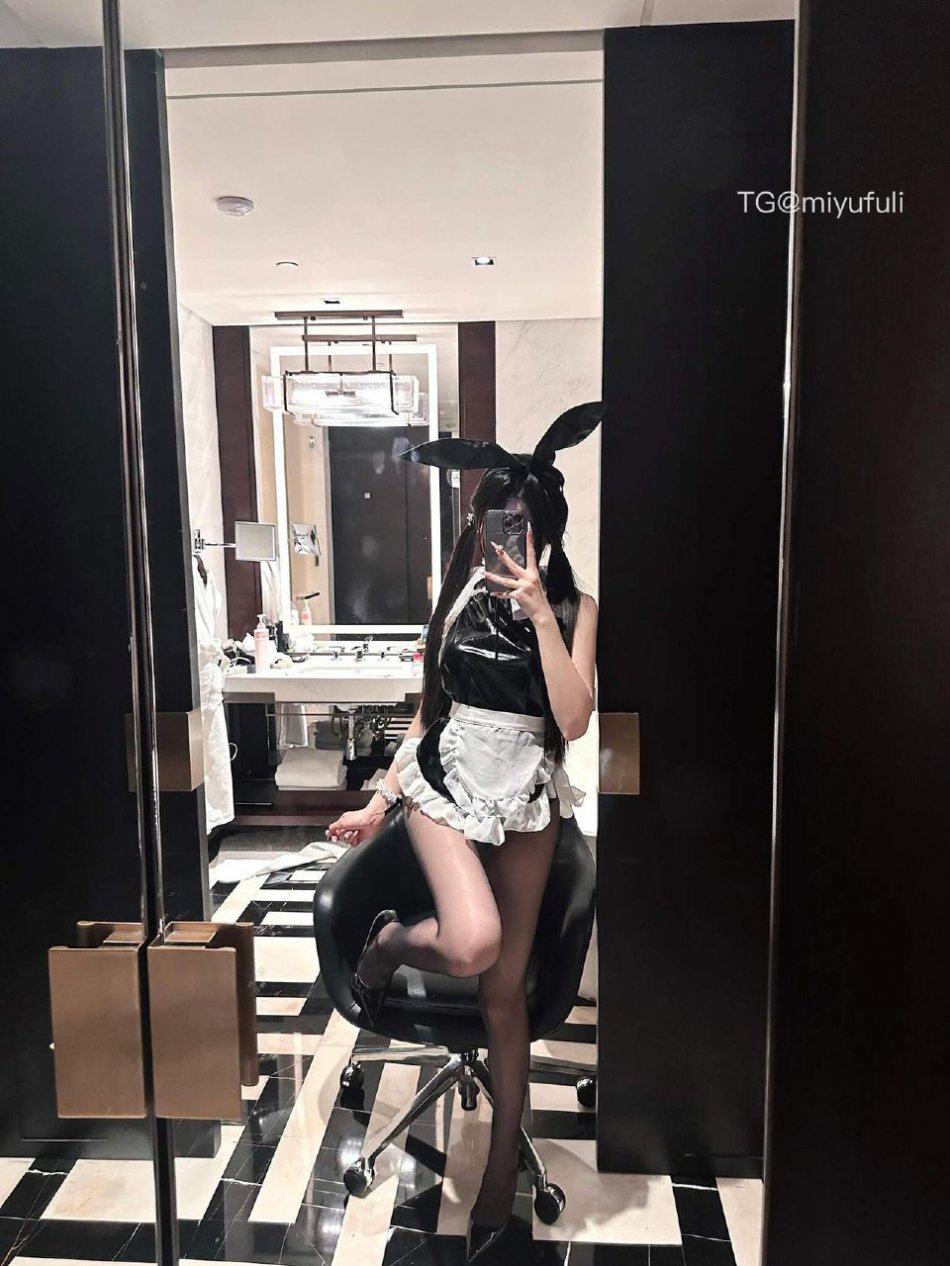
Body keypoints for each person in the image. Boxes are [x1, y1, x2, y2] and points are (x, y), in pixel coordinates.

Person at [327, 401, 603, 1261]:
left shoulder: (578, 606)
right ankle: (392, 941)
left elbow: (574, 719)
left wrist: (545, 616)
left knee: (503, 992)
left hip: (526, 791)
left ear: (547, 530)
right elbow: (426, 716)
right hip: (445, 782)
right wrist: (380, 802)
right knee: (474, 940)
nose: (506, 537)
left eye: (522, 524)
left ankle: (501, 1170)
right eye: (496, 522)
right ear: (481, 525)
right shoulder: (454, 602)